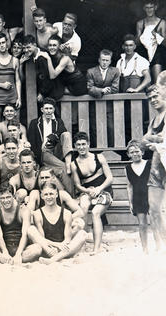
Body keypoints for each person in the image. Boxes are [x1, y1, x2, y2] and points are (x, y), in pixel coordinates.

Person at [0, 183, 42, 264]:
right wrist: (5, 252)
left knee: (37, 249)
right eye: (2, 198)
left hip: (22, 249)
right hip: (4, 248)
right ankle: (5, 259)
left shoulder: (24, 211)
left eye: (8, 197)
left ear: (13, 196)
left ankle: (4, 260)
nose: (6, 201)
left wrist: (18, 254)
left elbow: (24, 234)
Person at [70, 132, 113, 253]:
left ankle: (96, 248)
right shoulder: (74, 164)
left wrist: (99, 189)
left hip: (104, 190)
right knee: (82, 208)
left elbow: (110, 178)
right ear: (75, 146)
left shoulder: (99, 157)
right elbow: (78, 185)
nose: (81, 147)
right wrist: (87, 191)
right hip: (87, 192)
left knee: (95, 212)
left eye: (84, 144)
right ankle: (78, 239)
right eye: (78, 145)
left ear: (88, 144)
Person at [28, 182, 87, 265]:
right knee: (31, 229)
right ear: (42, 196)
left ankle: (54, 259)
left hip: (63, 249)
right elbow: (42, 239)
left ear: (56, 195)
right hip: (48, 250)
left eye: (51, 194)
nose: (49, 197)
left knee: (83, 234)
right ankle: (56, 257)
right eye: (46, 194)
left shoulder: (66, 213)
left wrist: (61, 246)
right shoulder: (38, 214)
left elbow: (67, 239)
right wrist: (56, 245)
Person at [27, 98, 73, 194]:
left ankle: (68, 162)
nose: (48, 111)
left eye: (50, 108)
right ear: (42, 110)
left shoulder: (58, 121)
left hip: (56, 151)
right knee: (62, 169)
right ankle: (71, 197)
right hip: (44, 153)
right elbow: (32, 141)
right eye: (46, 108)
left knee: (66, 134)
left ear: (54, 110)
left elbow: (62, 130)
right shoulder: (34, 123)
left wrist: (48, 138)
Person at [141, 84, 166, 250]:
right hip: (157, 163)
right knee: (154, 207)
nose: (152, 100)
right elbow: (143, 142)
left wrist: (153, 139)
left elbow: (161, 138)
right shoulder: (154, 119)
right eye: (150, 98)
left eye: (155, 96)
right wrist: (155, 138)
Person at [27, 166, 85, 233]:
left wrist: (66, 219)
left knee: (79, 222)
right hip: (43, 226)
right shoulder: (35, 193)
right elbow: (29, 213)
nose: (44, 180)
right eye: (42, 178)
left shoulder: (62, 194)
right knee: (31, 227)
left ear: (53, 178)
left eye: (47, 177)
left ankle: (67, 241)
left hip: (60, 226)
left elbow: (80, 212)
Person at [125, 140, 152, 254]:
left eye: (137, 151)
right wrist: (130, 202)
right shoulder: (127, 168)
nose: (135, 154)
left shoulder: (149, 164)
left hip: (151, 196)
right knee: (142, 224)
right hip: (138, 198)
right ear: (128, 154)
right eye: (132, 152)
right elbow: (129, 186)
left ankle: (160, 245)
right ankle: (145, 249)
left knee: (157, 222)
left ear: (142, 152)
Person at [20, 35, 64, 102]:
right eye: (24, 48)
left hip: (52, 91)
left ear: (34, 45)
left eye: (28, 47)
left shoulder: (42, 58)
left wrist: (42, 93)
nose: (26, 50)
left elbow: (47, 78)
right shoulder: (28, 56)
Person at [136, 0, 166, 83]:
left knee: (158, 82)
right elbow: (137, 43)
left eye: (151, 7)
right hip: (144, 53)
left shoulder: (162, 23)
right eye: (147, 8)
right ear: (144, 8)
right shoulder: (140, 23)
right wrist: (142, 35)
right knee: (146, 83)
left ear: (155, 8)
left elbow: (165, 43)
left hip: (157, 54)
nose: (149, 10)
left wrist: (156, 35)